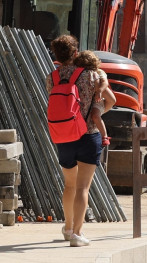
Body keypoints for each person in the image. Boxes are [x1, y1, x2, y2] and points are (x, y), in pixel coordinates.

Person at [45, 35, 100, 247]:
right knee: (83, 187)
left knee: (69, 185)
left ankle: (67, 228)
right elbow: (102, 98)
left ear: (56, 55)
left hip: (64, 135)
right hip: (88, 134)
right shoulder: (90, 75)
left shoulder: (52, 77)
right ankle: (78, 233)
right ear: (75, 53)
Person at [73, 50, 116, 147]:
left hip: (97, 99)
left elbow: (105, 83)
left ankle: (104, 136)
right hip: (88, 99)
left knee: (95, 116)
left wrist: (99, 91)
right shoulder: (80, 73)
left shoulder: (99, 72)